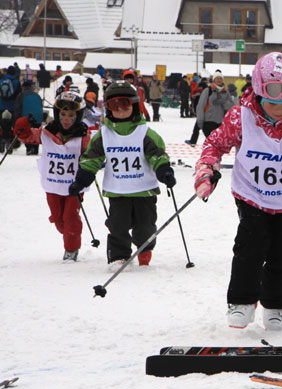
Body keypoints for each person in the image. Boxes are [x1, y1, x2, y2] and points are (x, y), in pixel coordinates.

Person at [193, 52, 282, 331]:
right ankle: (242, 301)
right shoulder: (241, 116)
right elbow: (215, 145)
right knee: (251, 243)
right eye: (273, 95)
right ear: (260, 90)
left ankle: (275, 305)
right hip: (251, 193)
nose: (281, 103)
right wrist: (207, 170)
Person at [67, 81, 176, 268]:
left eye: (124, 105)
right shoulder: (104, 135)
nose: (119, 110)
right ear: (108, 109)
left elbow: (157, 155)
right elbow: (91, 158)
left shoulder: (145, 133)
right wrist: (82, 179)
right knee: (117, 226)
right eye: (113, 106)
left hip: (144, 191)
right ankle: (118, 257)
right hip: (117, 191)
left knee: (145, 228)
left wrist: (164, 171)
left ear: (134, 105)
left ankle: (145, 249)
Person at [13, 91, 92, 262]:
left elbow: (94, 152)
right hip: (53, 184)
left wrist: (90, 160)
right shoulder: (47, 132)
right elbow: (28, 137)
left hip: (74, 185)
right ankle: (69, 233)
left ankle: (71, 248)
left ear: (78, 116)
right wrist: (22, 128)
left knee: (70, 217)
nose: (66, 119)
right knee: (58, 219)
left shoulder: (84, 136)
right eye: (63, 114)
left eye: (71, 115)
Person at [196, 71, 235, 137]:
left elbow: (231, 107)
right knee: (211, 144)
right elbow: (201, 106)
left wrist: (223, 102)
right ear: (214, 80)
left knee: (219, 145)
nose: (219, 80)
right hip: (208, 121)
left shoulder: (225, 92)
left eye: (220, 78)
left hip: (221, 123)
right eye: (217, 78)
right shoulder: (208, 91)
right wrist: (200, 120)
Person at [13, 80, 44, 155]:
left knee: (27, 133)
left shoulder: (21, 95)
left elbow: (17, 108)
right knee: (36, 133)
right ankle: (35, 149)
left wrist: (16, 120)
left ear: (23, 87)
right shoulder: (37, 95)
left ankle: (30, 148)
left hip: (26, 118)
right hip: (38, 117)